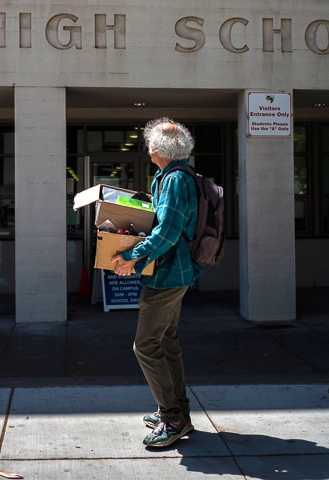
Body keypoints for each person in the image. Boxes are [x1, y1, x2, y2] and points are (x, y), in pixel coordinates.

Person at [113, 117, 202, 448]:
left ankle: (172, 418)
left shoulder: (175, 180)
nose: (147, 146)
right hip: (175, 272)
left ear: (157, 149)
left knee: (146, 345)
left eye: (149, 141)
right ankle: (180, 412)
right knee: (165, 342)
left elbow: (166, 232)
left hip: (167, 275)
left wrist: (134, 256)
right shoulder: (173, 177)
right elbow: (165, 224)